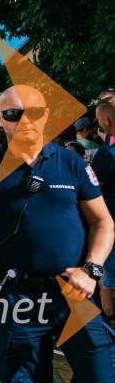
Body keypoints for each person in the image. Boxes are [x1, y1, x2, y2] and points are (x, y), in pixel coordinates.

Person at [0, 85, 115, 382]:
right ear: (1, 120)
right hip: (21, 295)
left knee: (101, 376)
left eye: (32, 112)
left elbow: (103, 222)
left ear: (46, 116)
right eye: (13, 114)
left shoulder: (72, 163)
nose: (24, 120)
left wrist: (91, 269)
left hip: (76, 292)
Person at [92, 97, 115, 324]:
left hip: (111, 225)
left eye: (99, 120)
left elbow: (93, 188)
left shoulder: (107, 154)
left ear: (107, 121)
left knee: (108, 280)